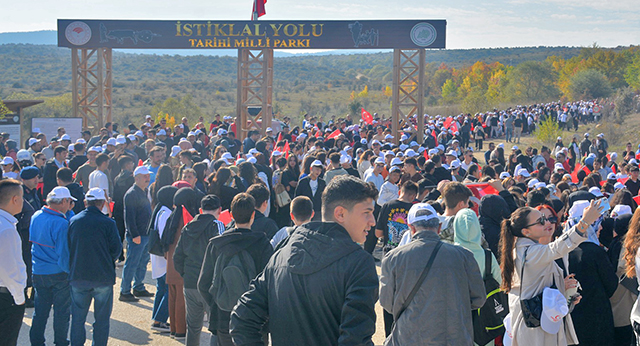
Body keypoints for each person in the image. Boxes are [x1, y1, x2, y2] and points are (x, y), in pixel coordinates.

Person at [230, 175, 379, 346]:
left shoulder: (282, 253)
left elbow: (241, 319)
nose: (373, 221)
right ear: (340, 213)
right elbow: (356, 341)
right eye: (367, 213)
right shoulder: (359, 263)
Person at [379, 203, 486, 345]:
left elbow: (387, 303)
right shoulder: (464, 256)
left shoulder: (393, 258)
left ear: (411, 228)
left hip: (409, 337)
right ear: (439, 227)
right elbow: (479, 298)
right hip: (455, 337)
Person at [500, 201, 604, 346]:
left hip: (538, 319)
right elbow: (557, 248)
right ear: (526, 231)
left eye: (546, 218)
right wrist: (585, 222)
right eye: (540, 221)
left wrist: (564, 291)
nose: (546, 222)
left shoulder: (524, 249)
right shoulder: (530, 252)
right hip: (536, 325)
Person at [198, 193, 274, 346]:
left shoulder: (217, 244)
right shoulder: (262, 244)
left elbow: (203, 284)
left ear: (231, 215)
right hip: (255, 318)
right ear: (253, 215)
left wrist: (215, 303)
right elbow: (271, 282)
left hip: (223, 314)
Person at [67, 188, 122, 346]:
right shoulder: (108, 223)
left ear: (85, 202)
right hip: (102, 276)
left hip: (78, 275)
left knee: (77, 319)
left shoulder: (74, 221)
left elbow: (69, 246)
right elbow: (116, 250)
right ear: (104, 203)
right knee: (102, 320)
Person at [173, 195, 225, 346]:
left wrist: (185, 274)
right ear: (220, 210)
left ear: (201, 210)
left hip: (190, 282)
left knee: (193, 327)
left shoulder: (188, 227)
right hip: (210, 284)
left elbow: (177, 256)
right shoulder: (217, 225)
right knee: (215, 327)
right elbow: (222, 254)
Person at [29, 186, 75, 346]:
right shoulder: (61, 223)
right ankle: (61, 342)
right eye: (69, 201)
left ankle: (36, 342)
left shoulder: (36, 216)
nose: (70, 205)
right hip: (58, 274)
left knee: (40, 312)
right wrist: (70, 273)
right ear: (63, 201)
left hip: (38, 271)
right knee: (62, 313)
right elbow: (64, 254)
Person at [120, 166, 154, 302]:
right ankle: (125, 290)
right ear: (136, 178)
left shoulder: (144, 191)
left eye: (148, 176)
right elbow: (129, 217)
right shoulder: (131, 194)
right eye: (144, 176)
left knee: (142, 262)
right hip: (138, 235)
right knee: (132, 263)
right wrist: (134, 235)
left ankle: (138, 287)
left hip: (145, 233)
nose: (147, 178)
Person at [0, 179, 27, 346]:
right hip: (6, 296)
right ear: (14, 199)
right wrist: (19, 298)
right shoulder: (6, 229)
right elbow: (8, 269)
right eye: (22, 197)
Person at [149, 186, 177, 333]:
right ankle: (160, 320)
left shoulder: (160, 210)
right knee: (167, 288)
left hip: (158, 256)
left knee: (161, 288)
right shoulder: (165, 213)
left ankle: (156, 319)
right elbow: (163, 236)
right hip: (163, 256)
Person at [112, 155, 135, 263]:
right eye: (131, 163)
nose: (132, 165)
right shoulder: (131, 178)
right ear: (126, 165)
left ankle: (120, 256)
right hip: (129, 207)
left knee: (119, 233)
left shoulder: (117, 178)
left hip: (118, 208)